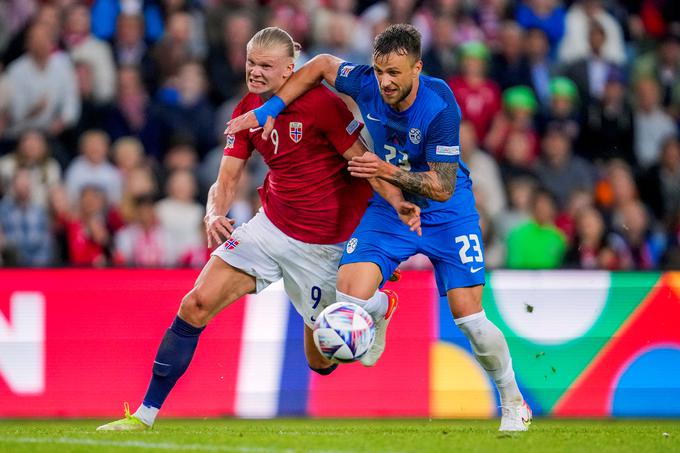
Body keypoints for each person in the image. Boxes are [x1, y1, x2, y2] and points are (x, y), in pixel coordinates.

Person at [96, 27, 418, 431]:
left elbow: (363, 161)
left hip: (326, 245)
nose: (256, 72)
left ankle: (376, 306)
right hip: (271, 228)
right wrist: (214, 212)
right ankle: (144, 415)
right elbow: (227, 178)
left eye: (266, 65)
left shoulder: (321, 105)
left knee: (320, 362)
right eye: (251, 62)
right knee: (195, 304)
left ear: (290, 68)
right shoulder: (246, 110)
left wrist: (397, 205)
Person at [227, 24, 531, 431]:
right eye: (380, 70)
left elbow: (441, 186)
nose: (385, 82)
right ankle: (379, 308)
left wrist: (384, 170)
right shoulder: (366, 82)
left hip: (446, 212)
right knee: (346, 295)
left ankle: (512, 401)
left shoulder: (440, 105)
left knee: (469, 318)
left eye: (395, 73)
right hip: (391, 206)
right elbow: (319, 64)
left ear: (417, 68)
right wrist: (270, 109)